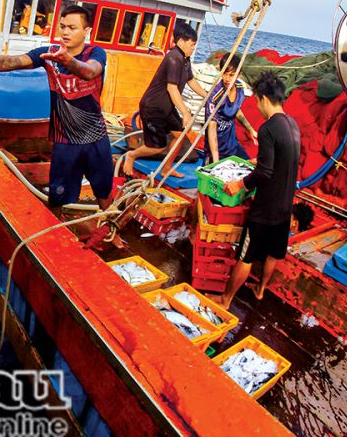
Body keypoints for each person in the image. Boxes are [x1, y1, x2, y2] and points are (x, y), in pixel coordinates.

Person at [0, 5, 116, 215]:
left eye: (73, 28)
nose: (65, 32)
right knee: (57, 195)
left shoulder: (95, 53)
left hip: (96, 136)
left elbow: (90, 71)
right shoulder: (48, 54)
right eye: (63, 26)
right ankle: (53, 231)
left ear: (86, 31)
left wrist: (69, 61)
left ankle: (110, 233)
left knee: (103, 191)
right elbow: (10, 62)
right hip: (65, 139)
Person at [217, 72, 301, 308]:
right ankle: (261, 290)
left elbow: (265, 173)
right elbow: (286, 159)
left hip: (265, 208)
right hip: (285, 206)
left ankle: (225, 300)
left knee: (247, 255)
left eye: (256, 101)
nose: (257, 106)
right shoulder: (292, 124)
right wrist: (261, 160)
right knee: (273, 252)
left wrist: (238, 184)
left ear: (264, 98)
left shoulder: (267, 129)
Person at [123, 24, 208, 177]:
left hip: (167, 108)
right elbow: (172, 88)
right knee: (157, 147)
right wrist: (185, 113)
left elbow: (191, 80)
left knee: (180, 135)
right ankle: (132, 155)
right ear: (181, 41)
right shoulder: (174, 58)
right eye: (192, 44)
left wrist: (207, 96)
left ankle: (167, 168)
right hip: (153, 107)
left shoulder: (185, 59)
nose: (193, 48)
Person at [204, 57, 258, 164]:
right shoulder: (215, 97)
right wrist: (216, 161)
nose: (227, 79)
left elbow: (236, 110)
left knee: (250, 167)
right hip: (216, 149)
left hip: (231, 145)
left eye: (231, 75)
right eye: (225, 73)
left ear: (238, 74)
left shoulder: (239, 88)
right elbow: (212, 128)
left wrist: (251, 130)